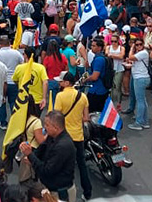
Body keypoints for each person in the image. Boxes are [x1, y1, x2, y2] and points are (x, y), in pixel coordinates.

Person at [20, 110, 76, 201]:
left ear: (56, 128)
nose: (44, 127)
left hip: (60, 193)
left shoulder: (63, 146)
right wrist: (32, 154)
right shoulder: (52, 136)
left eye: (47, 125)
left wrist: (30, 156)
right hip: (49, 188)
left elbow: (46, 171)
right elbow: (42, 148)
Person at [53, 71, 91, 200]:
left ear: (66, 83)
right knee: (81, 164)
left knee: (63, 167)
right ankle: (87, 192)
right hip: (78, 136)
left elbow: (56, 117)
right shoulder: (83, 97)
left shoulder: (60, 96)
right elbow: (86, 118)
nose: (59, 83)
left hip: (63, 137)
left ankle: (64, 194)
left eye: (61, 81)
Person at [126, 37, 151, 130]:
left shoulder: (143, 53)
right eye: (137, 45)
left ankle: (139, 122)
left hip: (140, 78)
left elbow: (130, 57)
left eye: (140, 44)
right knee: (142, 100)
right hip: (141, 77)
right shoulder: (141, 53)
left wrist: (132, 48)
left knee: (140, 100)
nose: (139, 46)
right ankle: (144, 121)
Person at [0, 37, 24, 112]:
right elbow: (23, 63)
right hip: (13, 82)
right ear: (9, 43)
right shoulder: (16, 53)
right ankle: (14, 116)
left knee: (1, 103)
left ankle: (3, 119)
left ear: (0, 45)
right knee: (13, 102)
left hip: (2, 82)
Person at [85, 37, 110, 112]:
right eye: (91, 45)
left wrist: (85, 79)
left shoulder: (98, 60)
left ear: (99, 48)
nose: (91, 47)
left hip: (96, 91)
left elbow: (95, 77)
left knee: (93, 112)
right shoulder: (101, 57)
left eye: (94, 46)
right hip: (102, 89)